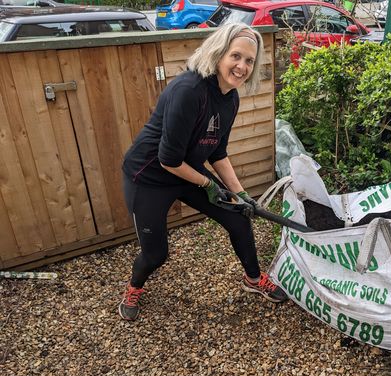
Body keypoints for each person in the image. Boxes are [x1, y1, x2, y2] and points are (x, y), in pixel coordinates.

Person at [119, 23, 288, 321]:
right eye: (236, 56)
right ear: (219, 53)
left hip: (186, 170)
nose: (242, 66)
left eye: (249, 60)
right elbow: (168, 159)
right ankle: (133, 287)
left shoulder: (230, 98)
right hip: (150, 176)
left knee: (238, 218)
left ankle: (253, 279)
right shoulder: (189, 90)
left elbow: (217, 152)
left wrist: (241, 194)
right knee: (156, 254)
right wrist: (210, 186)